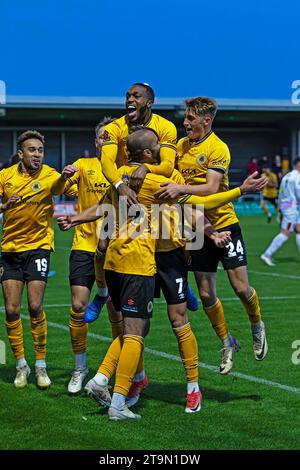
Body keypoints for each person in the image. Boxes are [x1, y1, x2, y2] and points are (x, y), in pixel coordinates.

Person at [58, 128, 266, 419]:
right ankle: (122, 389)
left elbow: (104, 209)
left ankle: (189, 386)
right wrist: (241, 191)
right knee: (137, 330)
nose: (164, 148)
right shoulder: (158, 181)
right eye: (158, 145)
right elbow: (200, 204)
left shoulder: (121, 179)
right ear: (147, 152)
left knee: (166, 320)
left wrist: (207, 234)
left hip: (152, 256)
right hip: (140, 259)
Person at [154, 97, 269, 373]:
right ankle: (227, 341)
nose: (185, 123)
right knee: (206, 295)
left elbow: (211, 189)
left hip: (225, 224)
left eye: (191, 119)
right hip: (196, 227)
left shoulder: (218, 148)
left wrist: (180, 191)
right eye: (185, 118)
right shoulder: (180, 147)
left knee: (241, 288)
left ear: (206, 121)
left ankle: (256, 324)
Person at [89, 83, 199, 318]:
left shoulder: (165, 127)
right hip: (120, 193)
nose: (130, 98)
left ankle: (182, 283)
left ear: (148, 102)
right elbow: (106, 162)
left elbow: (168, 167)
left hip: (151, 191)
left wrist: (146, 168)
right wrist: (120, 185)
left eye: (136, 96)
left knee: (178, 238)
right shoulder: (114, 128)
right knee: (101, 247)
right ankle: (101, 293)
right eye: (128, 95)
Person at [0, 130, 77, 389]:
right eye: (32, 150)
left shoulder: (52, 174)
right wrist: (4, 207)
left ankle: (41, 366)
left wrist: (66, 178)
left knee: (34, 307)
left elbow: (58, 189)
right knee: (11, 309)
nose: (37, 154)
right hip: (10, 250)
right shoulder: (5, 176)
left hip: (38, 248)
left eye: (40, 150)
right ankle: (21, 365)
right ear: (20, 154)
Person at [59, 118, 123, 395]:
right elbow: (61, 188)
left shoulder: (121, 171)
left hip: (115, 248)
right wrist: (64, 176)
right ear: (95, 141)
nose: (105, 141)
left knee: (117, 314)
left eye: (109, 137)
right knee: (78, 306)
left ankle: (119, 370)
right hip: (85, 245)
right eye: (101, 137)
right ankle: (80, 367)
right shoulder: (84, 166)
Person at [261, 157, 300, 266]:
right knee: (285, 233)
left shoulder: (286, 177)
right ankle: (266, 254)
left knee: (298, 229)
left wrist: (280, 208)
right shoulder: (297, 177)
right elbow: (298, 193)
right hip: (292, 207)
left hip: (287, 205)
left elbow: (281, 193)